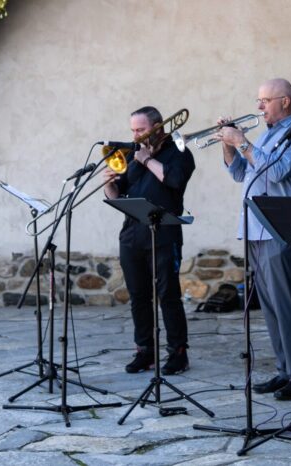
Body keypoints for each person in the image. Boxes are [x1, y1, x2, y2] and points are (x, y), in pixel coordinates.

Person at [216, 78, 291, 401]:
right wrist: (228, 143)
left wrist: (243, 141)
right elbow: (238, 174)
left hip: (279, 228)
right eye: (258, 100)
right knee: (270, 306)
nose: (259, 107)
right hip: (255, 229)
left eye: (265, 101)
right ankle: (283, 370)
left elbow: (277, 172)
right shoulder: (267, 135)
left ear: (284, 102)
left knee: (286, 303)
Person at [103, 106, 196, 375]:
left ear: (158, 126)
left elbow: (175, 180)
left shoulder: (179, 152)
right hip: (132, 234)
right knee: (138, 296)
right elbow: (117, 197)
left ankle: (178, 353)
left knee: (168, 295)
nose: (135, 136)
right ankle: (145, 350)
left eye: (140, 130)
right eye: (132, 130)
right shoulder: (132, 155)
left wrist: (146, 160)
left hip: (164, 233)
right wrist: (108, 183)